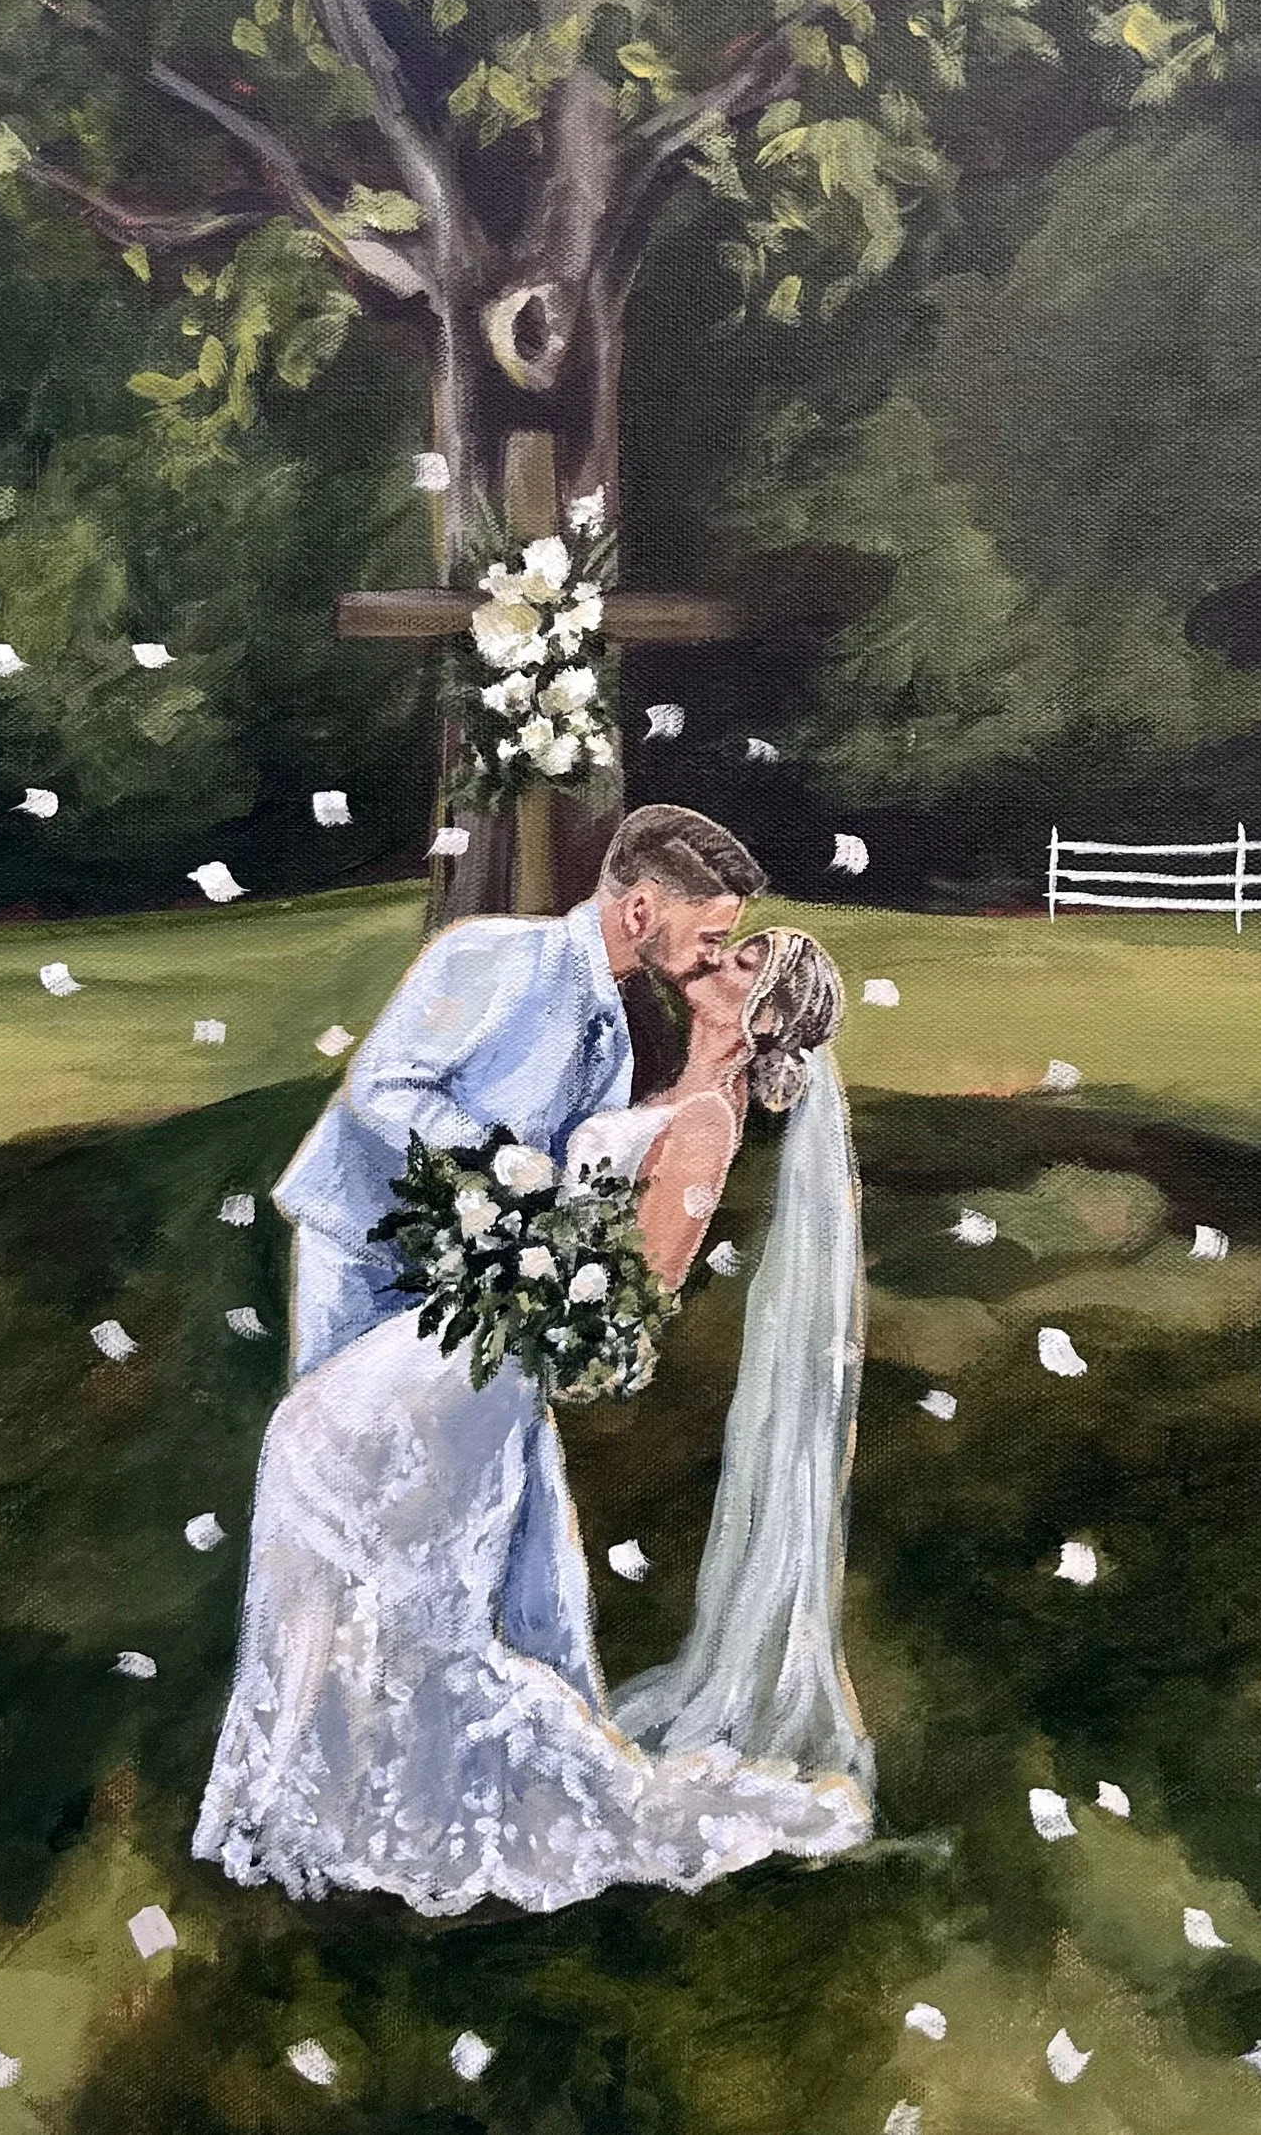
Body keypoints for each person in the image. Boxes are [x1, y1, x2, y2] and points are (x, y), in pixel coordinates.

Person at [193, 926, 872, 1916]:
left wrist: (531, 1264)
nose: (712, 960)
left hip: (504, 1344)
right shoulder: (659, 1078)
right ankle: (321, 1780)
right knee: (332, 1479)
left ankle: (386, 1788)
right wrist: (500, 1229)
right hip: (485, 1314)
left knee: (328, 1470)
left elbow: (645, 1282)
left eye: (740, 962)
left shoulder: (707, 1121)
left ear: (764, 1016)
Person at [270, 804, 764, 1378]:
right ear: (640, 910)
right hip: (365, 1254)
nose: (714, 956)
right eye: (710, 937)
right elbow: (385, 1086)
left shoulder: (615, 1038)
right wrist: (504, 1164)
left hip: (473, 1281)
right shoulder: (493, 954)